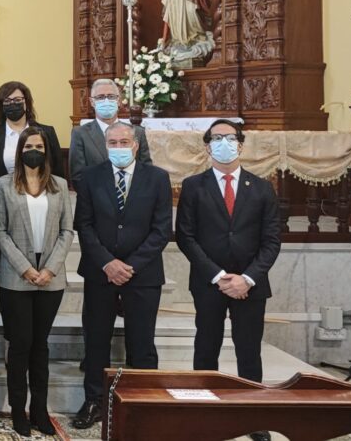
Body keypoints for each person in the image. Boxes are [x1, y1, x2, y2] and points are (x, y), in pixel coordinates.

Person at [177, 120, 280, 441]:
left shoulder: (262, 187)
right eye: (217, 138)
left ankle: (253, 417)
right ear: (207, 147)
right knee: (206, 347)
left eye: (230, 138)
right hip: (209, 282)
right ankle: (203, 413)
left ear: (241, 144)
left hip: (251, 285)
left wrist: (247, 278)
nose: (224, 143)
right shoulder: (193, 186)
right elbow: (186, 237)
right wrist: (220, 277)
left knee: (249, 351)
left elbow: (272, 241)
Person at [71, 122, 172, 429]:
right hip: (100, 272)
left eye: (123, 141)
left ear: (136, 145)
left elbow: (161, 230)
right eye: (112, 142)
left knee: (142, 342)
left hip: (143, 273)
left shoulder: (157, 178)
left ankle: (144, 403)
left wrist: (130, 266)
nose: (118, 146)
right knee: (97, 340)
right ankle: (95, 401)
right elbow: (84, 225)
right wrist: (108, 263)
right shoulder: (90, 177)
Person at [0, 126, 74, 436]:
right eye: (29, 145)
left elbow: (68, 230)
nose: (34, 150)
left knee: (40, 345)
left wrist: (51, 268)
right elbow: (0, 231)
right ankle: (18, 410)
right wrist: (25, 268)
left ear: (46, 150)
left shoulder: (60, 186)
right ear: (20, 150)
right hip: (16, 277)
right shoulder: (4, 185)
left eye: (39, 145)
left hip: (50, 278)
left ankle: (39, 409)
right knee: (21, 344)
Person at [0, 80, 64, 197]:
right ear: (1, 106)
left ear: (26, 103)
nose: (13, 104)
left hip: (42, 196)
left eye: (18, 100)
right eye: (7, 101)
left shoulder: (47, 132)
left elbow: (58, 171)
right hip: (5, 199)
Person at [69, 78, 152, 190]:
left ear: (118, 101)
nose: (106, 101)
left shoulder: (137, 132)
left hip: (133, 199)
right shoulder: (80, 134)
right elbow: (78, 176)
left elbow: (146, 171)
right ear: (92, 102)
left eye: (111, 96)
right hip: (96, 201)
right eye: (100, 97)